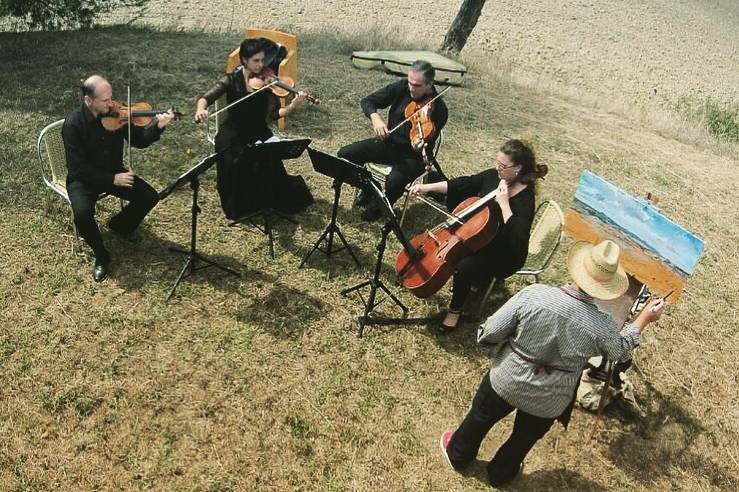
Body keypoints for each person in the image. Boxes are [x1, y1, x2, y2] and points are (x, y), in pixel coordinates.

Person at [439, 239, 666, 487]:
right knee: (523, 439)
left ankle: (458, 454)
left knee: (480, 417)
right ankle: (501, 473)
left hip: (506, 379)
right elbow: (619, 352)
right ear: (607, 287)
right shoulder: (602, 326)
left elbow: (491, 332)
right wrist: (643, 319)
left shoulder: (534, 295)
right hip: (551, 398)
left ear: (578, 269)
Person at [409, 139, 547, 330]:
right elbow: (465, 183)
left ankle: (454, 311)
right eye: (497, 163)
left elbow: (518, 239)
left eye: (503, 166)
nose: (497, 168)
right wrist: (427, 188)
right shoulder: (494, 177)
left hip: (506, 253)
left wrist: (505, 204)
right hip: (483, 238)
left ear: (518, 168)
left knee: (464, 265)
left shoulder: (525, 200)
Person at [62, 74, 176, 282]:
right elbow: (78, 169)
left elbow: (140, 141)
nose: (112, 104)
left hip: (115, 171)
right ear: (88, 100)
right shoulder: (73, 125)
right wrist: (112, 179)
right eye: (105, 101)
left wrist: (159, 126)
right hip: (84, 180)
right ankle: (101, 256)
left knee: (149, 196)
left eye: (111, 97)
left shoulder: (118, 113)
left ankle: (120, 225)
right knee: (82, 214)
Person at [195, 38, 311, 220]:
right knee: (231, 159)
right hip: (234, 130)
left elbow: (274, 114)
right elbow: (205, 98)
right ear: (244, 60)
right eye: (256, 61)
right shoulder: (231, 80)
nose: (261, 65)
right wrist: (201, 109)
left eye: (262, 60)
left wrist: (292, 106)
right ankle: (241, 205)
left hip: (258, 129)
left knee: (270, 161)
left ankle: (264, 199)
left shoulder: (267, 82)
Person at [337, 59, 448, 221]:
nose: (411, 87)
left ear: (429, 84)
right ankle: (369, 187)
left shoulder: (439, 109)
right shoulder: (402, 87)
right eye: (410, 82)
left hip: (413, 157)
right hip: (390, 143)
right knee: (345, 154)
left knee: (394, 181)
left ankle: (381, 206)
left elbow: (427, 141)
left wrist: (418, 145)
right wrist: (376, 118)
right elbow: (368, 101)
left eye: (416, 85)